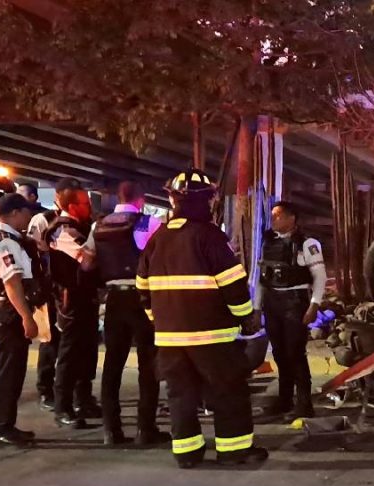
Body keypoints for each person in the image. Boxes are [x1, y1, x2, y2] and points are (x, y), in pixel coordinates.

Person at [137, 169, 267, 469]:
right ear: (205, 201)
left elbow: (142, 288)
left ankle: (187, 454)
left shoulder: (157, 239)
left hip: (170, 339)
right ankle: (233, 450)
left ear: (174, 200)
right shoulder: (210, 236)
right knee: (228, 391)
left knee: (181, 396)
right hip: (212, 336)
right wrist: (245, 317)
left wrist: (160, 320)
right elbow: (233, 284)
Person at [94, 181, 167, 446]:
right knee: (148, 363)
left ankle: (111, 430)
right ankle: (145, 429)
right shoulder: (150, 223)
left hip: (113, 298)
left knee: (112, 364)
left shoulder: (99, 226)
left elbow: (87, 261)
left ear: (118, 197)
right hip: (142, 298)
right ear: (141, 199)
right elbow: (162, 258)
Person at [258, 201, 326, 421]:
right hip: (272, 301)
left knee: (295, 353)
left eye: (278, 215)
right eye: (273, 215)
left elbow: (320, 277)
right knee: (279, 353)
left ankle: (304, 404)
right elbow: (262, 277)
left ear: (291, 218)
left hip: (294, 302)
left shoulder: (307, 244)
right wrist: (257, 308)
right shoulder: (268, 242)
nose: (273, 219)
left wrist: (314, 305)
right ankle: (284, 400)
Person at [0, 193, 47, 445]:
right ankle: (1, 426)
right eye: (26, 212)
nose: (29, 217)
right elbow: (12, 283)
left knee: (7, 370)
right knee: (9, 372)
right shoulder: (6, 243)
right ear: (14, 213)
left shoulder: (4, 239)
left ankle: (3, 423)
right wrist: (27, 317)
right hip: (8, 314)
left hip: (2, 312)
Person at [46, 177, 100, 428]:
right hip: (70, 301)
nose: (89, 207)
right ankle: (63, 407)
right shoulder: (63, 230)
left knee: (87, 351)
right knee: (69, 354)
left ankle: (83, 399)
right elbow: (86, 259)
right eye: (85, 203)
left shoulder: (80, 226)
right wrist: (96, 236)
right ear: (72, 205)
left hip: (85, 298)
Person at [25, 186, 61, 411]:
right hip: (48, 290)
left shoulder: (78, 222)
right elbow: (32, 251)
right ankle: (45, 390)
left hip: (67, 288)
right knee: (49, 341)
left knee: (68, 343)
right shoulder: (43, 220)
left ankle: (68, 390)